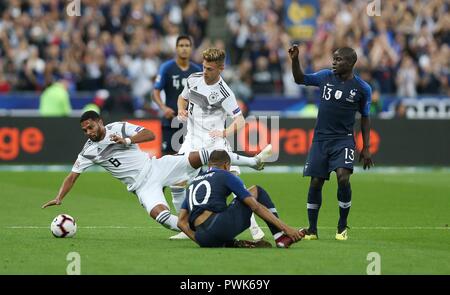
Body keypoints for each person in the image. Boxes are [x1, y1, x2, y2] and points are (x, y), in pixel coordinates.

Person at [41, 111, 272, 234]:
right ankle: (197, 229)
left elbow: (150, 135)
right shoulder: (89, 151)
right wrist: (60, 197)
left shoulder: (119, 127)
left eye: (90, 127)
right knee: (161, 217)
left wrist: (127, 140)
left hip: (155, 167)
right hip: (142, 187)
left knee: (207, 153)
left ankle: (255, 162)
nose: (88, 133)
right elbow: (73, 175)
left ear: (100, 122)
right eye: (84, 130)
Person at [172, 47, 266, 240]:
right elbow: (182, 98)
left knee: (232, 183)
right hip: (192, 138)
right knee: (176, 184)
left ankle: (253, 226)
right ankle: (187, 227)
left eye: (210, 69)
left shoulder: (225, 92)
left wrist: (224, 132)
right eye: (204, 67)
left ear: (221, 68)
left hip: (214, 139)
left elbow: (240, 121)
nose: (205, 72)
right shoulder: (193, 79)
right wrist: (181, 110)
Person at [288, 45, 374, 241]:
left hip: (343, 140)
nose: (334, 62)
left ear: (351, 63)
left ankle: (342, 225)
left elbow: (366, 117)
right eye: (333, 59)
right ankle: (312, 229)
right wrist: (295, 60)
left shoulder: (362, 88)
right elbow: (300, 79)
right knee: (316, 181)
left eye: (338, 60)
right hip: (320, 139)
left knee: (343, 177)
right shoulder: (325, 77)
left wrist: (366, 147)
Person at [177, 150, 306, 248]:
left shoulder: (193, 183)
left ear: (209, 164)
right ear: (227, 165)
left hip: (202, 237)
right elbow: (255, 206)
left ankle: (224, 241)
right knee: (256, 191)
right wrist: (286, 228)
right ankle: (280, 237)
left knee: (224, 210)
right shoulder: (225, 175)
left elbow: (181, 222)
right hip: (218, 226)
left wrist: (201, 240)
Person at [153, 35, 202, 155]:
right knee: (166, 158)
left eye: (187, 45)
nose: (184, 48)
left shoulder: (197, 70)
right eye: (181, 46)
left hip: (190, 123)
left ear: (191, 49)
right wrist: (163, 108)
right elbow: (155, 92)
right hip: (170, 120)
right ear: (176, 48)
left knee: (189, 159)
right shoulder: (167, 68)